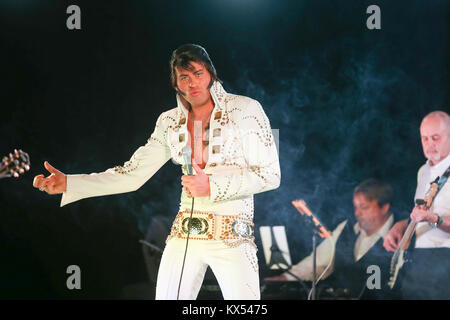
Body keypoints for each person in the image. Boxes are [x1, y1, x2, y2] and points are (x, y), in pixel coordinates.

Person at [33, 44, 281, 300]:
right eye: (184, 77)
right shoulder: (169, 121)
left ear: (211, 74)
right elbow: (132, 174)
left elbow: (270, 174)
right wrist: (70, 184)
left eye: (198, 73)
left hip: (233, 237)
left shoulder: (246, 110)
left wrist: (212, 186)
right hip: (185, 234)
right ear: (176, 84)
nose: (192, 82)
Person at [265, 179, 396, 299]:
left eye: (364, 207)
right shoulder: (346, 227)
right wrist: (285, 278)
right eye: (356, 207)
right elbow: (317, 263)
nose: (357, 213)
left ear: (384, 208)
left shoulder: (400, 236)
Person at [383, 110, 450, 299]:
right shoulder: (423, 171)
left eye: (435, 138)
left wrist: (434, 219)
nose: (430, 144)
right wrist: (401, 225)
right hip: (420, 260)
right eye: (425, 138)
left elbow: (433, 216)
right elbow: (423, 213)